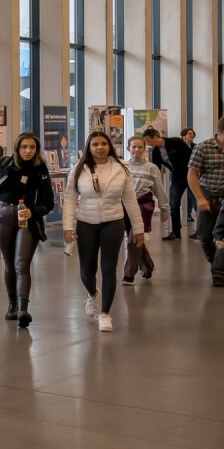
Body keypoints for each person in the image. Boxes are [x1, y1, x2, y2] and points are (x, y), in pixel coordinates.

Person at [63, 131, 144, 333]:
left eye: (103, 144)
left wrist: (138, 227)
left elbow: (131, 200)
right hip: (86, 222)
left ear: (110, 146)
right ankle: (92, 294)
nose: (100, 147)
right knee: (87, 269)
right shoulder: (78, 169)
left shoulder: (121, 169)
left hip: (113, 222)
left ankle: (106, 313)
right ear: (88, 148)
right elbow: (70, 198)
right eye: (95, 144)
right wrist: (68, 226)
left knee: (109, 268)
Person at [0, 133, 55, 328]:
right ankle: (11, 305)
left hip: (27, 220)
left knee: (22, 263)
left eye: (32, 147)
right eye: (24, 147)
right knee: (10, 263)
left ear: (37, 149)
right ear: (17, 148)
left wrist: (34, 211)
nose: (28, 151)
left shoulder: (40, 169)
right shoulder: (3, 163)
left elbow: (48, 202)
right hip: (2, 216)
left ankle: (23, 309)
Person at [188, 115, 224, 286]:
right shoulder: (203, 147)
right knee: (205, 237)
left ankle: (218, 273)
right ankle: (215, 261)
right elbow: (192, 175)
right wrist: (200, 198)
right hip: (208, 196)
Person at [123, 135, 169, 285]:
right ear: (128, 149)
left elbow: (159, 189)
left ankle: (129, 275)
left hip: (144, 205)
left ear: (144, 149)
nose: (136, 150)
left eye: (140, 147)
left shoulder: (151, 167)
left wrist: (164, 208)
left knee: (134, 238)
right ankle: (148, 267)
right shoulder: (123, 166)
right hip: (125, 206)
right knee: (137, 239)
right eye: (133, 147)